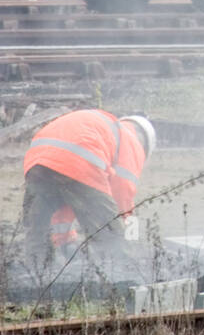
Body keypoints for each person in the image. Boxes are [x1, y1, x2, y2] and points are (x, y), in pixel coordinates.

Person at [21, 110, 156, 267]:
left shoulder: (105, 127)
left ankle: (37, 276)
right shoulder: (131, 139)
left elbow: (69, 194)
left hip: (37, 159)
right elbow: (123, 193)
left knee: (37, 229)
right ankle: (123, 277)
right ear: (145, 144)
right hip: (79, 159)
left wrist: (65, 240)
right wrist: (130, 237)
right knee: (111, 234)